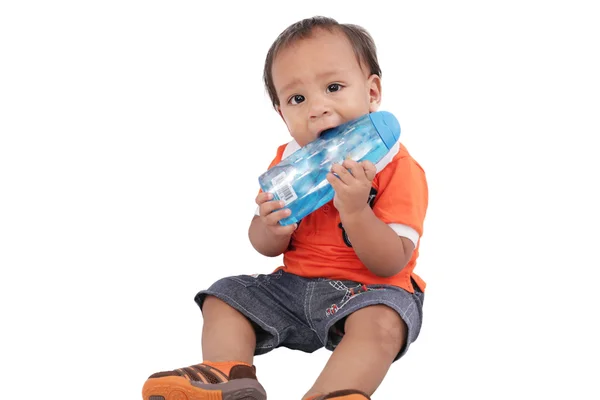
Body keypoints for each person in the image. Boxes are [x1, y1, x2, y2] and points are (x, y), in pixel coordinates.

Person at [142, 16, 428, 400]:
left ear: (372, 92)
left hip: (370, 291)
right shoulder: (290, 164)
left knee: (384, 324)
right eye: (298, 99)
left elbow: (391, 262)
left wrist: (357, 212)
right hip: (295, 287)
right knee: (223, 295)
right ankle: (228, 376)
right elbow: (264, 244)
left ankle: (331, 393)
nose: (317, 108)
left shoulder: (397, 168)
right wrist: (270, 226)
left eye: (333, 87)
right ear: (282, 113)